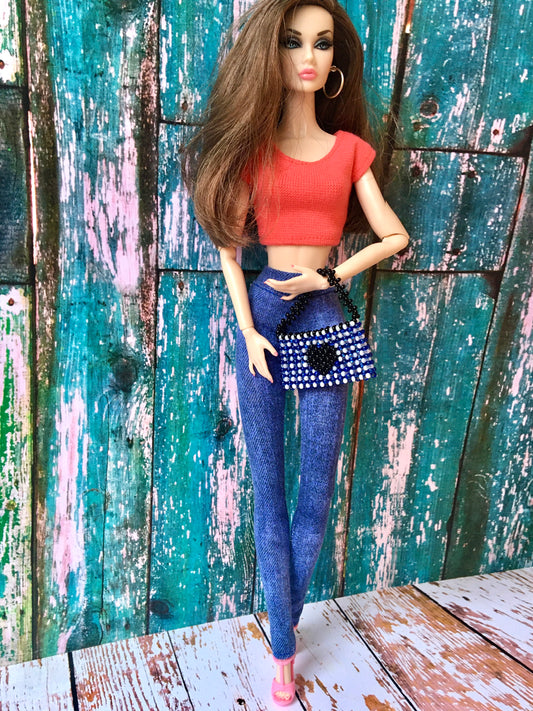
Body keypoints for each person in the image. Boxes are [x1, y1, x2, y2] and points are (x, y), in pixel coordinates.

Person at [182, 0, 409, 704]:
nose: (308, 56)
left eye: (321, 43)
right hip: (267, 316)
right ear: (270, 54)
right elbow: (229, 249)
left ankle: (282, 627)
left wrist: (330, 277)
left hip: (324, 313)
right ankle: (284, 648)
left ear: (335, 61)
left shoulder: (349, 152)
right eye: (292, 42)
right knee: (268, 489)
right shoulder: (252, 152)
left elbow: (393, 236)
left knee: (316, 488)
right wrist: (249, 329)